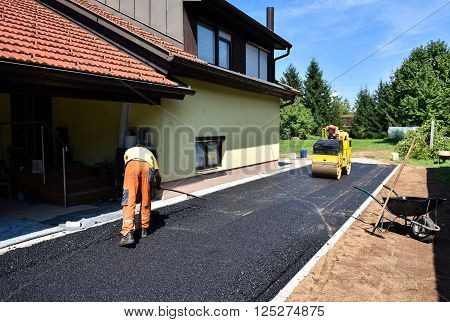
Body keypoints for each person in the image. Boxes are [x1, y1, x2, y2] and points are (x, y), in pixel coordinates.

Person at [120, 145, 159, 246]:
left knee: (129, 198)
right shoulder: (150, 153)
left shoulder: (129, 150)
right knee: (146, 198)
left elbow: (126, 164)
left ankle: (128, 233)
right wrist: (157, 184)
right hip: (148, 167)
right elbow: (156, 172)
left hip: (132, 165)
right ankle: (144, 229)